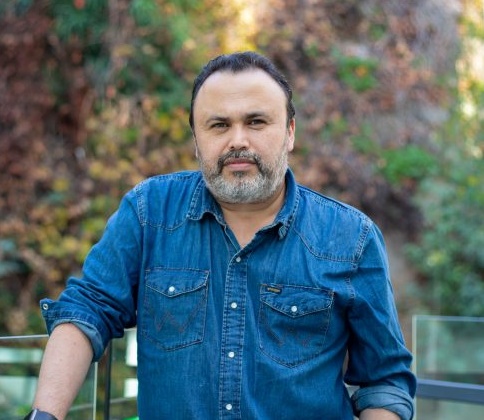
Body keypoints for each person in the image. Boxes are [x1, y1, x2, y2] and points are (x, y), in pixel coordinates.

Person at [26, 51, 416, 420]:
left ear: (290, 132)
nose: (238, 141)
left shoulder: (351, 238)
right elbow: (86, 311)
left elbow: (384, 380)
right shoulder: (148, 214)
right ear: (196, 139)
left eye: (256, 122)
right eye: (219, 125)